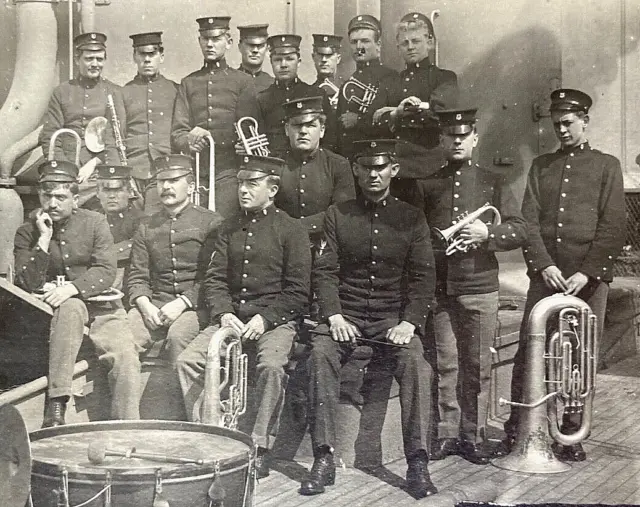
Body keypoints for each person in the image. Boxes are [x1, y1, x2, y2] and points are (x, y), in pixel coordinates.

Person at [301, 139, 437, 498]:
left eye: (381, 167)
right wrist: (333, 315)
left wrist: (408, 323)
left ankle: (417, 462)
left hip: (391, 320)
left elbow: (424, 276)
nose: (373, 174)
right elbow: (325, 271)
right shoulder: (338, 214)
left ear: (393, 169)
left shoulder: (411, 217)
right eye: (366, 167)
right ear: (356, 171)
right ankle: (324, 457)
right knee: (319, 355)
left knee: (416, 366)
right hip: (346, 316)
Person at [502, 89, 626, 462]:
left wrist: (587, 273)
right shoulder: (541, 166)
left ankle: (570, 432)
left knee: (579, 355)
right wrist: (546, 266)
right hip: (548, 277)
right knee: (531, 350)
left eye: (568, 123)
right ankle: (519, 427)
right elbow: (528, 222)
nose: (562, 129)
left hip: (587, 281)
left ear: (584, 122)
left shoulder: (606, 166)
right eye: (557, 124)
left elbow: (613, 226)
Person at [177, 154, 311, 479]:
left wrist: (265, 319)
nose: (243, 190)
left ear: (273, 188)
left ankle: (260, 446)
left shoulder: (291, 229)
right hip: (232, 319)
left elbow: (298, 291)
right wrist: (223, 314)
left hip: (274, 321)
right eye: (240, 182)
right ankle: (209, 433)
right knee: (187, 361)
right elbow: (215, 279)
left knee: (272, 367)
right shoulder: (228, 228)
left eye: (252, 183)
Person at [412, 109, 527, 464]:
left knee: (477, 366)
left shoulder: (494, 182)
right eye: (451, 136)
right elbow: (420, 238)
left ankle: (473, 435)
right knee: (447, 363)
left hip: (480, 286)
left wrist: (486, 233)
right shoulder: (428, 184)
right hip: (443, 289)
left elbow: (519, 228)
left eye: (464, 136)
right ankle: (448, 433)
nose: (458, 141)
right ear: (443, 141)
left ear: (475, 139)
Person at [13, 160, 140, 427]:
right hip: (61, 312)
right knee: (69, 308)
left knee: (125, 357)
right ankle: (57, 407)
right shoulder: (28, 232)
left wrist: (72, 287)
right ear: (39, 196)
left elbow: (106, 270)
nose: (53, 203)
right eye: (47, 196)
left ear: (76, 198)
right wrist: (44, 240)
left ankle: (127, 428)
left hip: (102, 306)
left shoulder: (95, 223)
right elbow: (26, 281)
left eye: (61, 197)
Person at [278, 95, 364, 404]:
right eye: (296, 125)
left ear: (322, 130)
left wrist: (294, 228)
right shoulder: (276, 164)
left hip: (325, 249)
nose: (303, 131)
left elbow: (339, 212)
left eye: (311, 125)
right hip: (282, 253)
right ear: (287, 130)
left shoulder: (338, 165)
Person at [127, 155, 222, 371]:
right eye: (161, 181)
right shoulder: (146, 226)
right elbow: (138, 275)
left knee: (178, 337)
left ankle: (182, 403)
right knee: (124, 340)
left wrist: (183, 303)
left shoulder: (211, 222)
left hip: (196, 306)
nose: (166, 187)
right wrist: (144, 305)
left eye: (173, 181)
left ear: (191, 186)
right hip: (155, 304)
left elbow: (214, 276)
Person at [171, 16, 256, 218]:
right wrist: (188, 141)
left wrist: (243, 144)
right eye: (205, 39)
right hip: (197, 172)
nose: (210, 44)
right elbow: (178, 133)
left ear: (229, 42)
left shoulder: (242, 82)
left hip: (230, 171)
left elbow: (250, 130)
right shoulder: (188, 83)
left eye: (216, 39)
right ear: (199, 41)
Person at [372, 11, 459, 201]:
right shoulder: (391, 82)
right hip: (397, 173)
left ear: (429, 42)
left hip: (431, 171)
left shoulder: (444, 78)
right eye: (405, 43)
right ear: (398, 47)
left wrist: (395, 113)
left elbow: (440, 115)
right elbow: (376, 122)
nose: (410, 47)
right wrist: (400, 112)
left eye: (416, 41)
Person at [40, 32, 125, 183]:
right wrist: (66, 168)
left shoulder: (114, 92)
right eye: (88, 59)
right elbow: (50, 136)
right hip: (66, 166)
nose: (95, 64)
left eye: (99, 59)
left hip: (101, 166)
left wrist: (93, 164)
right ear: (76, 60)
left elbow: (117, 139)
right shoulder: (61, 92)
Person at [244, 34, 334, 157]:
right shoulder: (262, 99)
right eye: (278, 59)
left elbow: (330, 139)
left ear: (299, 62)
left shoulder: (316, 94)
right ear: (271, 62)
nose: (284, 64)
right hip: (275, 165)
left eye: (289, 59)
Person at [122, 31, 178, 214]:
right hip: (133, 171)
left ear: (161, 56)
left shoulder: (175, 90)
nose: (147, 60)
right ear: (134, 56)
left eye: (151, 54)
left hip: (164, 171)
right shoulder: (124, 92)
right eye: (142, 54)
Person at [335, 15, 397, 160]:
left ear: (378, 44)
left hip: (377, 159)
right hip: (351, 160)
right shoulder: (348, 84)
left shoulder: (391, 78)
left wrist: (359, 120)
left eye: (365, 41)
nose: (359, 47)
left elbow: (394, 122)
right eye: (354, 42)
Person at [91, 164, 145, 304]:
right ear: (97, 193)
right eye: (106, 190)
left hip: (126, 282)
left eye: (118, 190)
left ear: (129, 192)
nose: (112, 196)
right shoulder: (91, 219)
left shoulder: (140, 220)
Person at [237, 24, 274, 93]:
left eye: (260, 46)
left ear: (266, 49)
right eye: (250, 45)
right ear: (240, 47)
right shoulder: (230, 81)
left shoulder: (272, 84)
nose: (255, 50)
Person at [311, 34, 344, 111]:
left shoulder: (347, 89)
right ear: (313, 57)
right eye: (320, 55)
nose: (324, 60)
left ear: (338, 59)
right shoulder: (308, 93)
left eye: (329, 55)